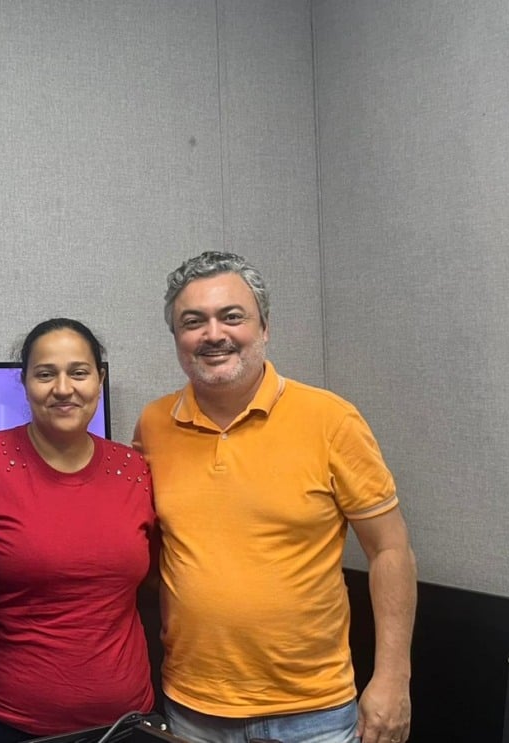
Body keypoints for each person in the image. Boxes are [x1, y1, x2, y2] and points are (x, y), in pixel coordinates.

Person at [133, 251, 416, 743]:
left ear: (265, 328)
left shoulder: (331, 419)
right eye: (193, 321)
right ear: (177, 339)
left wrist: (393, 678)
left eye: (232, 316)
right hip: (194, 710)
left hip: (315, 713)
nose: (213, 334)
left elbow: (390, 550)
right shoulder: (154, 426)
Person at [0, 318, 157, 742]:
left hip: (123, 726)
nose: (63, 388)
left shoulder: (134, 470)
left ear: (99, 380)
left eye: (79, 372)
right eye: (45, 373)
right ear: (25, 382)